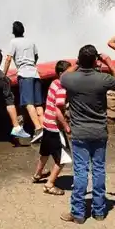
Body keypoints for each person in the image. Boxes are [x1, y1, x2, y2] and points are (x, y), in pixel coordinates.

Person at [59, 45, 115, 224]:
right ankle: (99, 211)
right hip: (99, 131)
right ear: (96, 60)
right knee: (98, 170)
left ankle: (78, 213)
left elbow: (62, 77)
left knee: (80, 171)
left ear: (80, 60)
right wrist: (109, 62)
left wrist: (77, 63)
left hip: (80, 132)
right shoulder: (103, 79)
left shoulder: (71, 79)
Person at [33, 60, 71, 196]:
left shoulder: (54, 83)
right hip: (56, 127)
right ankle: (50, 184)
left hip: (47, 124)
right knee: (63, 158)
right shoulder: (62, 88)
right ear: (61, 73)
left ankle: (37, 174)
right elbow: (58, 110)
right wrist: (66, 126)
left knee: (45, 152)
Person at [2, 21, 44, 143]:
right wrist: (32, 65)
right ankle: (46, 128)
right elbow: (36, 56)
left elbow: (8, 58)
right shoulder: (31, 41)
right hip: (35, 74)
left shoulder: (13, 42)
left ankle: (38, 128)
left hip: (24, 75)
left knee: (28, 103)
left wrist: (3, 74)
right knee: (38, 104)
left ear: (13, 32)